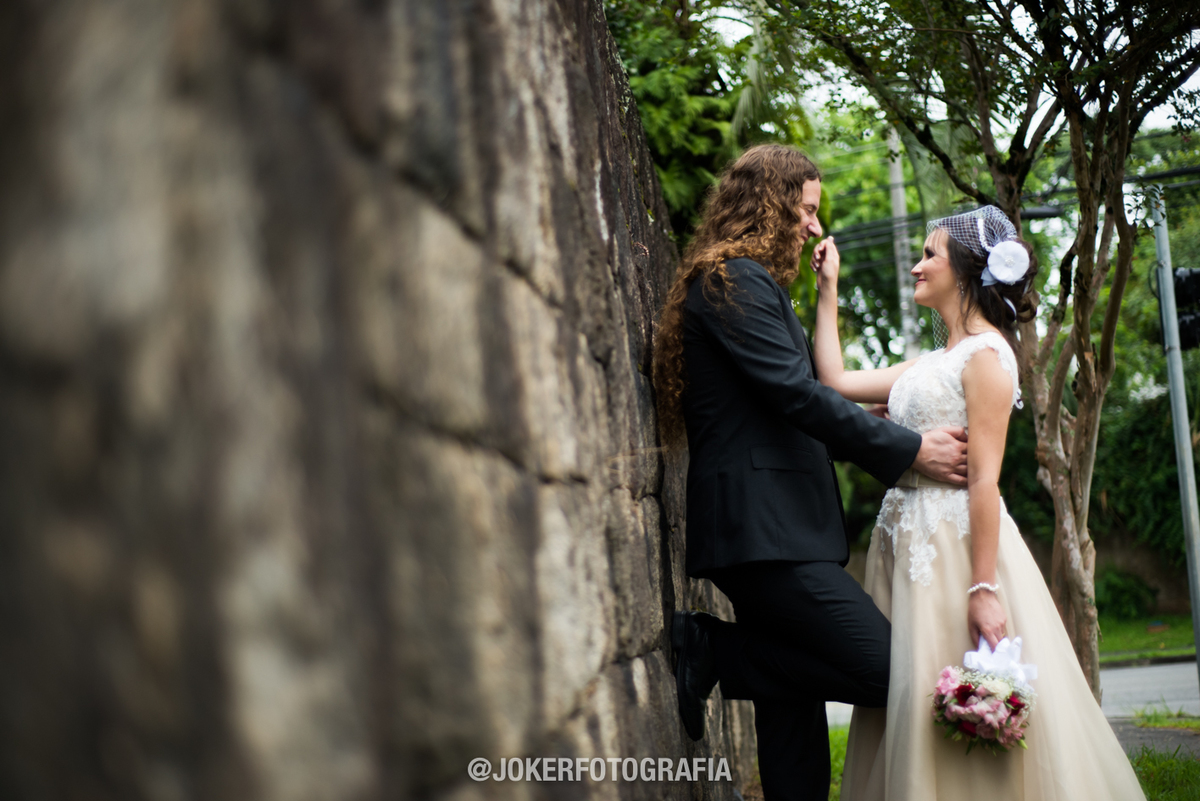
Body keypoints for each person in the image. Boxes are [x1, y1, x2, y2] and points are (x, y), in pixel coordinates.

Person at [654, 143, 970, 801]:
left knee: (791, 726)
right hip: (764, 533)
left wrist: (828, 297)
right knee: (888, 671)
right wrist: (910, 447)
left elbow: (795, 392)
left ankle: (734, 659)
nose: (814, 227)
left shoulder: (746, 284)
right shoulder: (733, 280)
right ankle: (714, 648)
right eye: (806, 210)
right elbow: (798, 397)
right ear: (768, 203)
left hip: (775, 529)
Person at [810, 206, 1146, 800]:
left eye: (929, 255)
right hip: (907, 551)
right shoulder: (935, 360)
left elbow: (985, 482)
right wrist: (827, 289)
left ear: (964, 271)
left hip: (955, 555)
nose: (917, 265)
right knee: (907, 696)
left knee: (958, 691)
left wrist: (983, 589)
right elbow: (834, 384)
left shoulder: (989, 358)